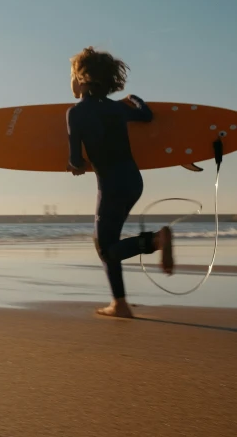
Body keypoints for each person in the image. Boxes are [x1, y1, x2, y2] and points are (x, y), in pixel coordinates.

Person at [66, 46, 173, 318]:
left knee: (106, 249)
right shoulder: (117, 109)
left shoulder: (76, 114)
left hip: (111, 187)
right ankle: (120, 304)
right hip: (133, 181)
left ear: (81, 78)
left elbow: (76, 160)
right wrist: (133, 98)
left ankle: (156, 241)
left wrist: (76, 166)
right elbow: (146, 114)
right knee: (105, 242)